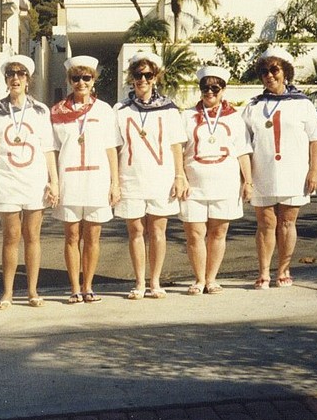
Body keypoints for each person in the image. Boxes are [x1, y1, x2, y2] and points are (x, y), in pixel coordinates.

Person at [242, 47, 317, 289]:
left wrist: (313, 171)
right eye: (264, 72)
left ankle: (284, 270)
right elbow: (243, 143)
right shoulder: (254, 106)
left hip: (293, 172)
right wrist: (246, 178)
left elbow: (315, 140)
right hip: (262, 171)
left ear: (285, 72)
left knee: (287, 222)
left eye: (274, 70)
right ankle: (264, 272)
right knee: (266, 223)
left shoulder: (302, 104)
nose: (269, 75)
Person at [114, 51, 187, 299]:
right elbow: (115, 147)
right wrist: (114, 181)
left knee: (157, 231)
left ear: (155, 77)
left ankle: (155, 281)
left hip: (160, 178)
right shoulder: (121, 109)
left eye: (147, 75)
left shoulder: (169, 109)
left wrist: (179, 176)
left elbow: (176, 145)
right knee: (135, 230)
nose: (142, 80)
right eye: (138, 75)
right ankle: (139, 282)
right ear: (132, 78)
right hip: (130, 177)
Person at [0, 54, 59, 309]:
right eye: (11, 74)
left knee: (32, 236)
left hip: (34, 180)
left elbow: (48, 148)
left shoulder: (40, 111)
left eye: (20, 74)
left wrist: (54, 181)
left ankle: (32, 291)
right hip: (6, 179)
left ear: (28, 79)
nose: (15, 78)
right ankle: (7, 293)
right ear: (6, 79)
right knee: (10, 237)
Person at [51, 55, 120, 304]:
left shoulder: (104, 110)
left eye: (86, 77)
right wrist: (53, 182)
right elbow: (53, 150)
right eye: (76, 78)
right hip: (69, 180)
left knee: (92, 236)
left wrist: (115, 183)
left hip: (96, 179)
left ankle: (88, 286)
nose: (81, 82)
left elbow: (111, 148)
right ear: (69, 81)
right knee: (71, 236)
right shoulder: (57, 112)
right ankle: (74, 288)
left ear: (94, 80)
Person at [180, 65, 253, 295]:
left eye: (215, 88)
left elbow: (243, 151)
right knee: (195, 234)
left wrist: (248, 181)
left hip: (225, 184)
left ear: (223, 89)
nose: (209, 92)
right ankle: (199, 279)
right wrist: (180, 177)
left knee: (218, 233)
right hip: (193, 185)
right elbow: (178, 150)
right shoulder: (187, 116)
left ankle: (211, 279)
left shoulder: (235, 118)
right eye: (205, 88)